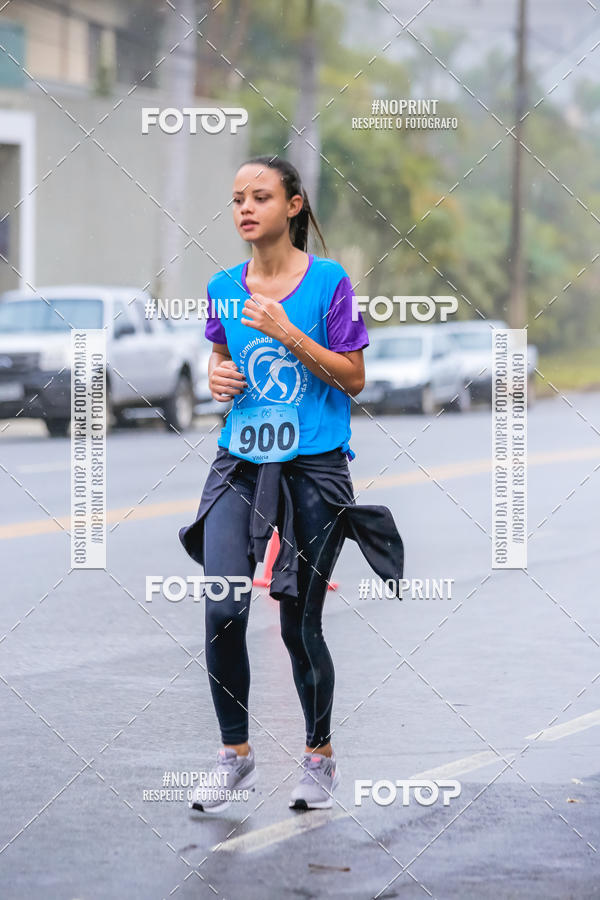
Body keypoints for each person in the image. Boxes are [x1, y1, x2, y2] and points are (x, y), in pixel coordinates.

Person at [179, 155, 404, 814]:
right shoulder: (224, 284)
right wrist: (217, 377)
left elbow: (354, 377)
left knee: (297, 624)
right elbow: (222, 360)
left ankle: (319, 756)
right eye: (237, 198)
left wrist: (286, 332)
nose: (245, 208)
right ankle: (235, 756)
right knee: (222, 605)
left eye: (261, 196)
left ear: (294, 206)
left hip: (314, 464)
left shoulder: (328, 282)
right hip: (241, 459)